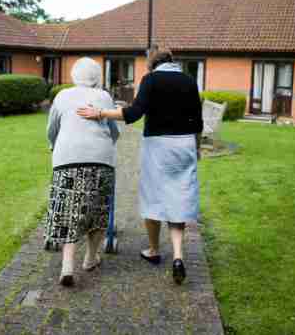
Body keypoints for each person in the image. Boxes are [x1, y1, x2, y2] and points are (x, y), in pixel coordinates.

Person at [77, 49, 202, 284]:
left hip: (158, 146)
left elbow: (133, 113)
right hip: (185, 145)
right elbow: (197, 120)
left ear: (152, 65)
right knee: (178, 198)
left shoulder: (151, 79)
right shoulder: (189, 81)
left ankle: (154, 250)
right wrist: (196, 149)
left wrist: (100, 113)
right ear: (172, 62)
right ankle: (178, 255)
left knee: (153, 196)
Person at [45, 57, 120, 287]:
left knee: (68, 210)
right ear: (97, 78)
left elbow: (51, 130)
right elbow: (114, 132)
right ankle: (89, 258)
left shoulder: (61, 96)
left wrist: (53, 145)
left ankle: (67, 265)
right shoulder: (104, 96)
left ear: (73, 76)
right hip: (100, 160)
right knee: (97, 209)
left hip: (67, 159)